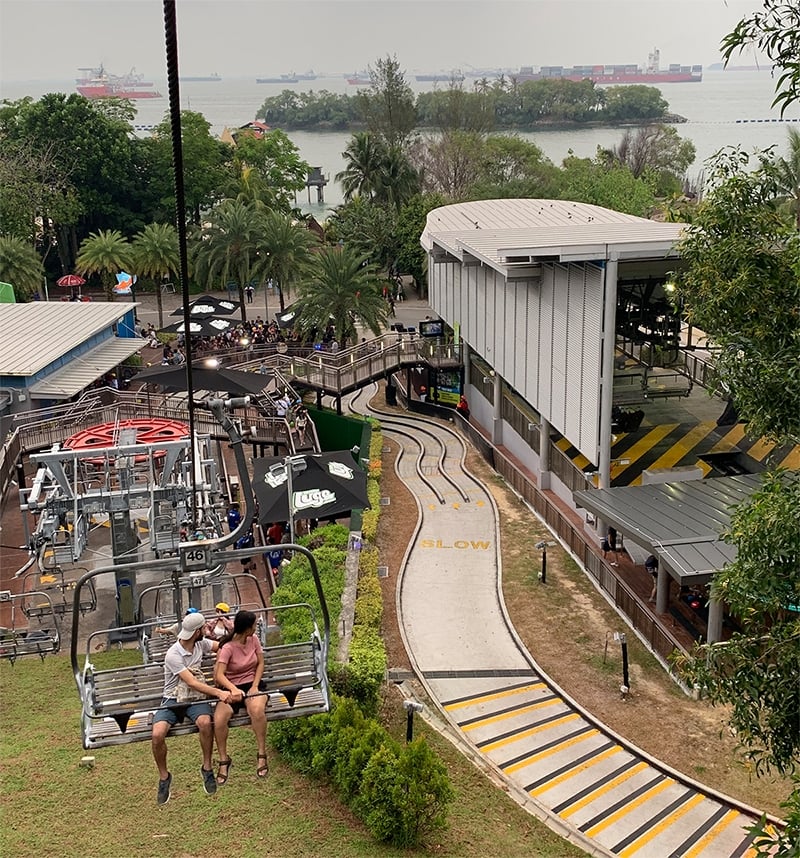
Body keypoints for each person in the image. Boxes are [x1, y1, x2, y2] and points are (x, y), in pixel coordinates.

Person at [151, 612, 240, 805]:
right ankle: (164, 777)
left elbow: (222, 648)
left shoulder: (201, 644)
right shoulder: (173, 655)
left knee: (205, 723)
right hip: (173, 699)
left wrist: (234, 645)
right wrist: (219, 693)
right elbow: (191, 682)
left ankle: (207, 768)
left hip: (195, 700)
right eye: (203, 629)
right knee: (158, 735)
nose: (205, 631)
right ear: (197, 631)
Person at [213, 610, 268, 783]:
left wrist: (255, 686)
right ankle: (224, 759)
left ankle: (261, 753)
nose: (255, 628)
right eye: (253, 625)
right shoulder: (228, 647)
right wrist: (232, 689)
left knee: (257, 710)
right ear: (247, 628)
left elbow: (260, 663)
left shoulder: (254, 640)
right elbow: (220, 675)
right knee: (219, 718)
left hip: (252, 683)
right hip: (232, 687)